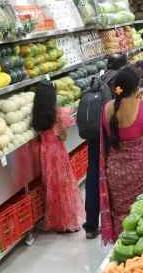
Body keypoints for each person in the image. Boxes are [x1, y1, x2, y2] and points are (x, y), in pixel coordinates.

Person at [98, 67, 143, 243]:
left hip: (115, 173)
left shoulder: (106, 108)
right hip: (141, 174)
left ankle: (122, 247)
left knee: (122, 214)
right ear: (137, 88)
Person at [83, 54, 129, 239]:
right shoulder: (119, 81)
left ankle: (91, 225)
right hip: (110, 134)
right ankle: (116, 221)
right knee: (113, 177)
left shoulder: (98, 79)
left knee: (93, 176)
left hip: (94, 135)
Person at [31, 80, 83, 233]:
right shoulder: (57, 112)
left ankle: (56, 221)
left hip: (45, 152)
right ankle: (68, 222)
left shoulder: (36, 112)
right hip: (57, 152)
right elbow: (63, 135)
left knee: (51, 187)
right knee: (64, 185)